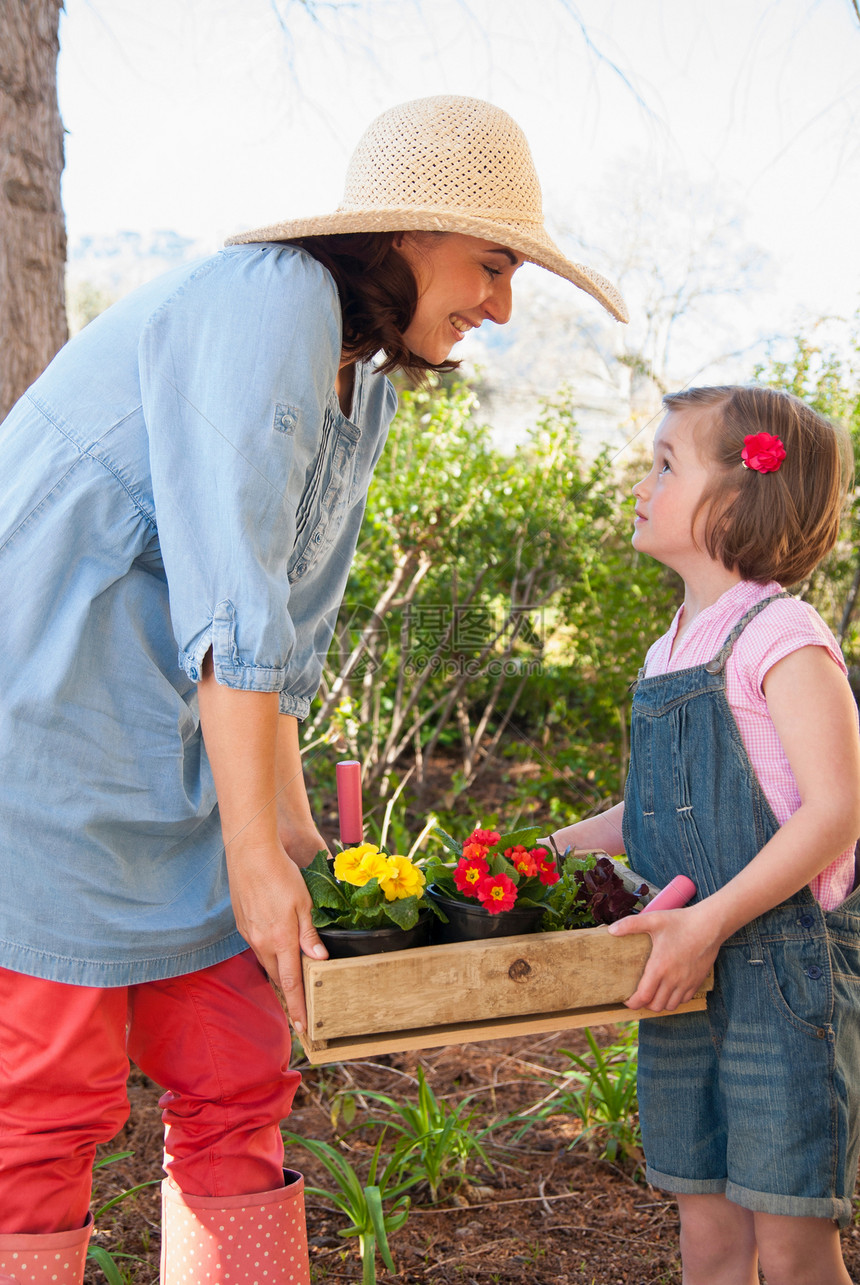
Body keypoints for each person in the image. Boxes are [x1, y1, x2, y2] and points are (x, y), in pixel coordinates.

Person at [0, 95, 626, 1285]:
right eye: (490, 265)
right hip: (44, 736)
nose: (500, 305)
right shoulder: (267, 297)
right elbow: (233, 599)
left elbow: (277, 640)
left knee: (240, 1068)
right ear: (406, 235)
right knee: (45, 1102)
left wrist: (294, 851)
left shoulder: (366, 383)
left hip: (182, 751)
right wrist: (251, 859)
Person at [550, 385, 860, 1285]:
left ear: (740, 492)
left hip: (782, 975)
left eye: (664, 463)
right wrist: (541, 850)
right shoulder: (668, 649)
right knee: (710, 1234)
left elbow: (837, 810)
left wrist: (709, 921)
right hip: (685, 976)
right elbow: (648, 806)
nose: (640, 480)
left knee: (794, 1243)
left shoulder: (783, 635)